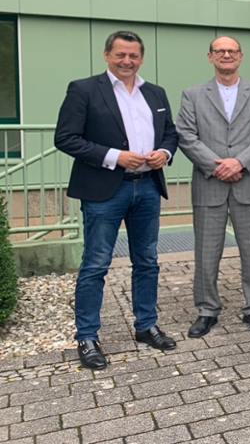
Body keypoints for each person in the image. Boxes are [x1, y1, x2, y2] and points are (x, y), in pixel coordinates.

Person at [55, 30, 179, 369]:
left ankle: (146, 325)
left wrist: (165, 153)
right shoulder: (83, 89)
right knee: (95, 264)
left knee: (147, 261)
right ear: (107, 54)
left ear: (142, 58)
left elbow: (170, 132)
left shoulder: (155, 91)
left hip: (148, 187)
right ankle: (87, 336)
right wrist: (114, 156)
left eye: (134, 56)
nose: (127, 61)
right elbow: (65, 138)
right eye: (121, 55)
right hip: (104, 190)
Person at [177, 36, 250, 339]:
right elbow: (186, 135)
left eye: (232, 51)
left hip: (247, 181)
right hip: (209, 183)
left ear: (241, 56)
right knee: (206, 252)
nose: (226, 55)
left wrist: (239, 163)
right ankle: (207, 310)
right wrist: (216, 165)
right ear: (209, 56)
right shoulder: (193, 94)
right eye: (220, 51)